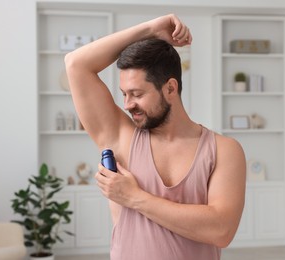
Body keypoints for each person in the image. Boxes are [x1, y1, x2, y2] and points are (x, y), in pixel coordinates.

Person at [65, 14, 246, 260]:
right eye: (124, 94)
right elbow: (76, 63)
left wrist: (134, 198)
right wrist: (151, 28)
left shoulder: (224, 150)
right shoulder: (121, 138)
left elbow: (221, 230)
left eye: (137, 94)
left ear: (170, 88)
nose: (128, 105)